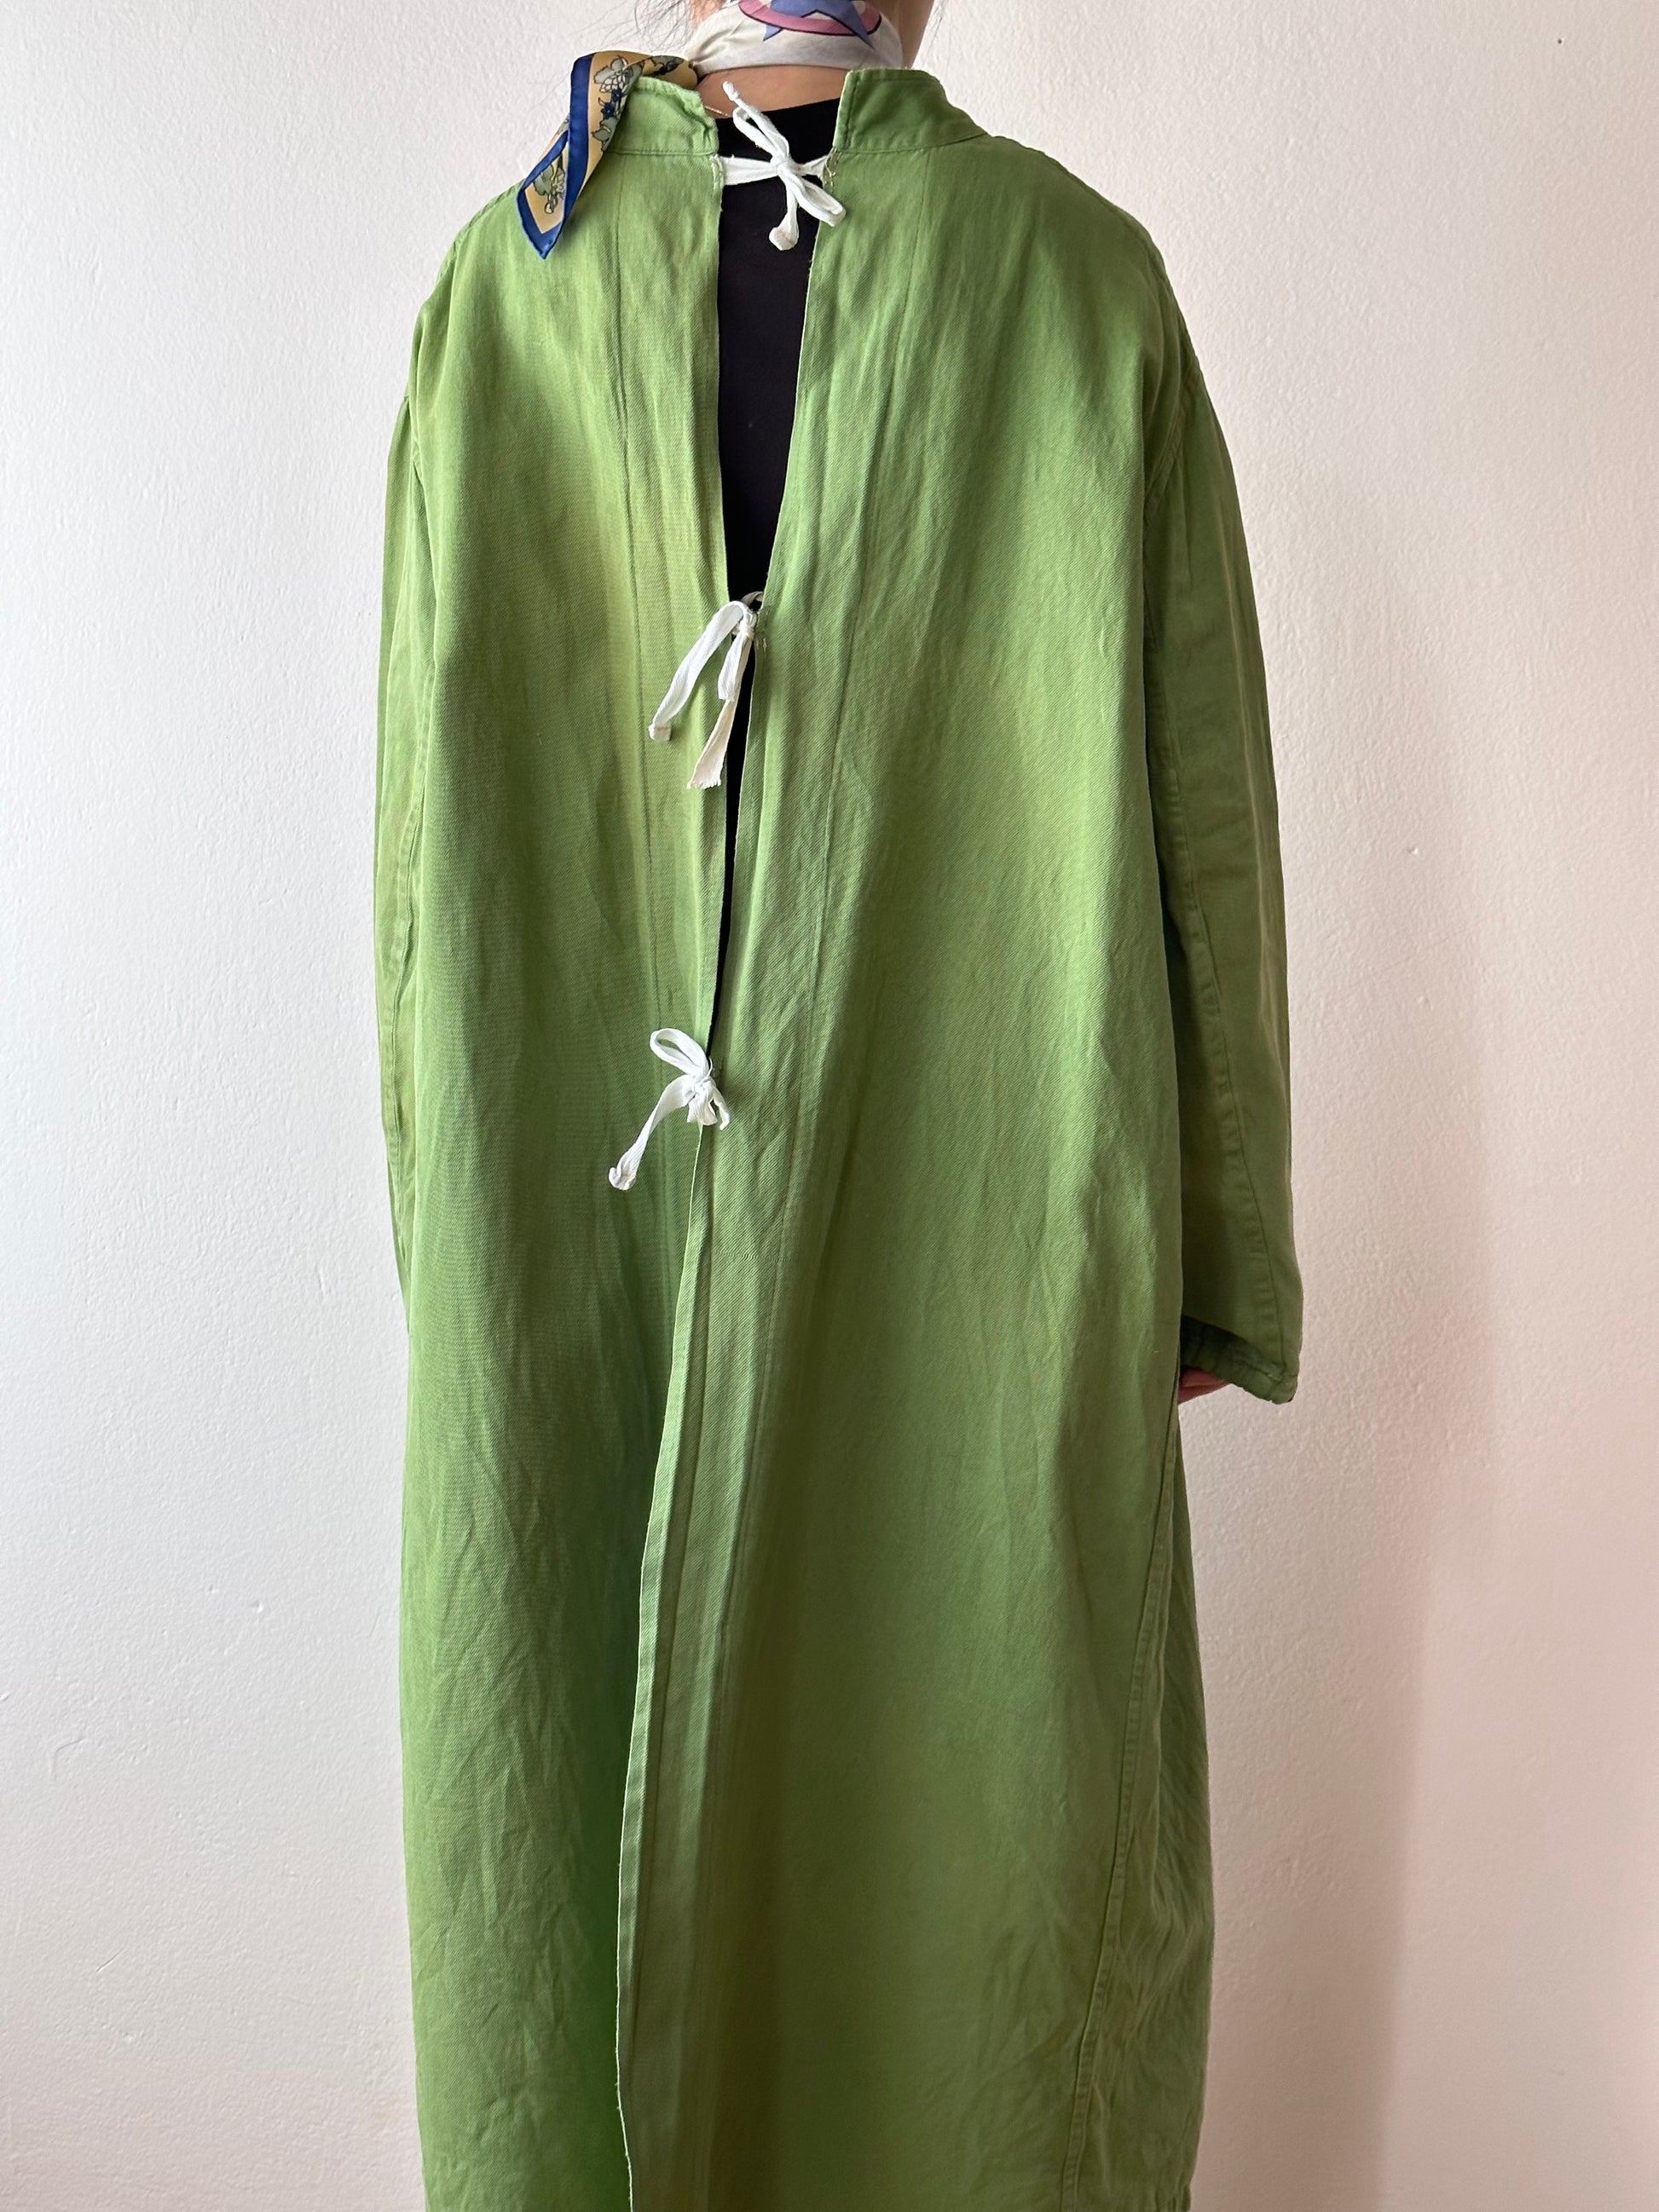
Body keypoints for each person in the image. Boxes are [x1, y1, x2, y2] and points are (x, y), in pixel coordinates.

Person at [373, 3, 1303, 2205]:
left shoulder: (498, 293)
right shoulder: (1080, 286)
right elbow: (1209, 822)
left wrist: (467, 1228)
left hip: (584, 1239)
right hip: (995, 1224)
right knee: (981, 1837)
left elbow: (413, 876)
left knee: (663, 1812)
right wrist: (1206, 1254)